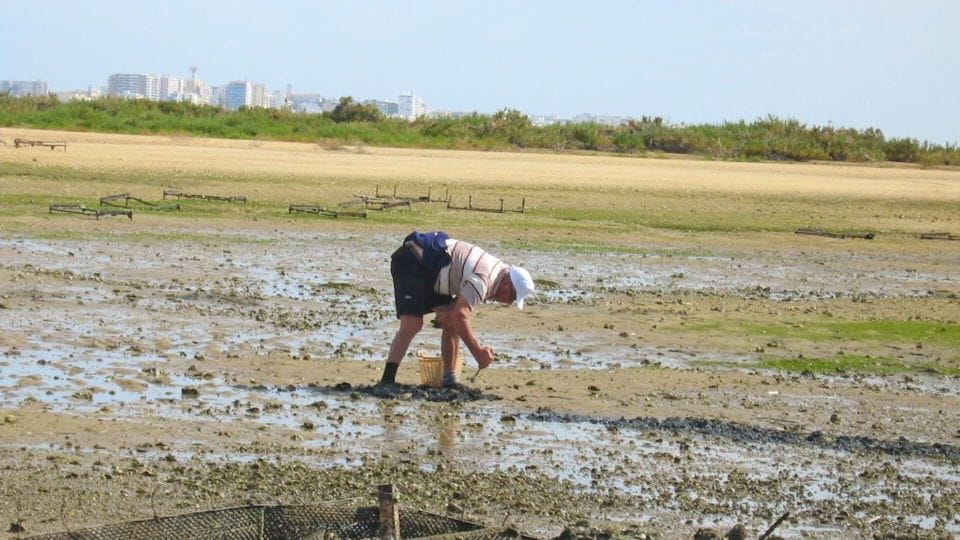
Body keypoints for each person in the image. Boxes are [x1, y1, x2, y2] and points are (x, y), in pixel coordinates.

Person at [379, 231, 535, 387]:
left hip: (436, 270)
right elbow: (461, 315)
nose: (508, 303)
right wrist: (478, 352)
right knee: (412, 324)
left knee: (451, 320)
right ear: (507, 287)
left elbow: (456, 315)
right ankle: (387, 380)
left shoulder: (498, 271)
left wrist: (452, 314)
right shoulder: (484, 279)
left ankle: (449, 379)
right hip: (413, 261)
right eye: (512, 298)